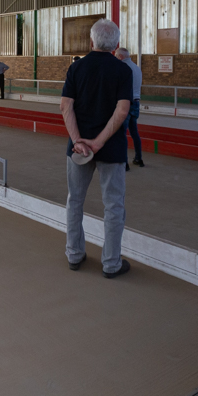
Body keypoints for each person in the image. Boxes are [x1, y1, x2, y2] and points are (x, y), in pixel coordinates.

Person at [61, 19, 133, 279]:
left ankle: (74, 254)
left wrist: (79, 141)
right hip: (111, 148)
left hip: (77, 149)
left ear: (91, 42)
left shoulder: (76, 68)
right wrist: (100, 141)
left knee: (75, 201)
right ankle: (111, 263)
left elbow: (65, 106)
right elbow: (122, 110)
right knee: (113, 206)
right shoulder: (122, 70)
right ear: (116, 44)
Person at [114, 48, 144, 171]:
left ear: (120, 56)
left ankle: (124, 162)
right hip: (136, 103)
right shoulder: (137, 68)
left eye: (116, 56)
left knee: (121, 133)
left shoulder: (122, 68)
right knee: (134, 132)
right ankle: (138, 158)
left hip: (126, 102)